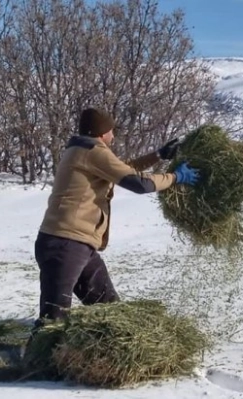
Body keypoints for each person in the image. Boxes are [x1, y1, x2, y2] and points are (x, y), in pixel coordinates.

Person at [32, 107, 199, 330]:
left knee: (110, 310)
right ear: (102, 133)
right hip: (65, 244)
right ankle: (39, 363)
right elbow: (140, 184)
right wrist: (176, 177)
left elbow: (122, 168)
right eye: (111, 131)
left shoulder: (83, 149)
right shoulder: (93, 151)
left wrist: (158, 155)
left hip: (77, 245)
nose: (114, 136)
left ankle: (106, 356)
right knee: (53, 319)